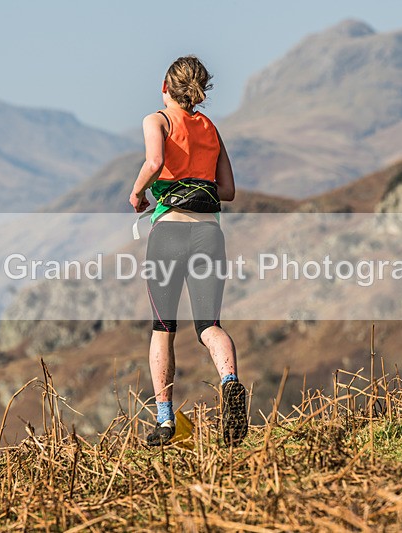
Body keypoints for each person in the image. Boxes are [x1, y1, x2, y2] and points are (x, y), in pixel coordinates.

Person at [129, 55, 248, 446]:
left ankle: (165, 421)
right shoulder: (211, 129)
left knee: (163, 327)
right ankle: (230, 382)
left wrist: (137, 192)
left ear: (165, 87)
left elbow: (155, 160)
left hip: (169, 233)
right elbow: (227, 191)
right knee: (209, 325)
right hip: (209, 235)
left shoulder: (157, 121)